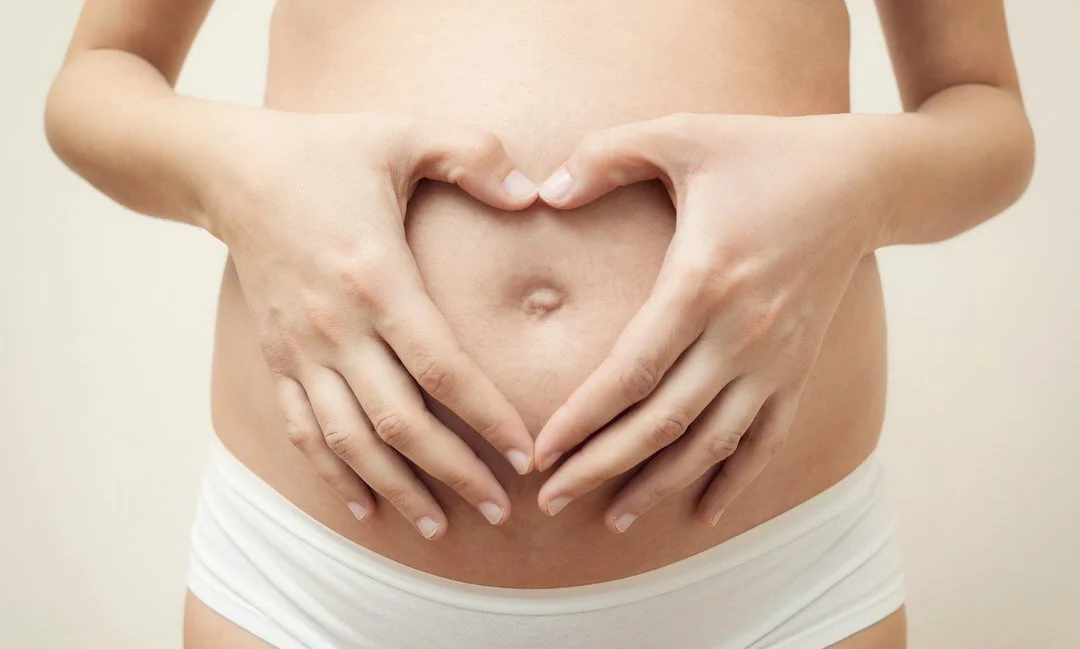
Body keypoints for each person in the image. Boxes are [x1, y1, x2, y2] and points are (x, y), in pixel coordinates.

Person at [44, 1, 1034, 647]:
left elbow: (983, 111)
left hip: (770, 590)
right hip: (317, 586)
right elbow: (97, 79)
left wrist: (860, 187)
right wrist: (241, 178)